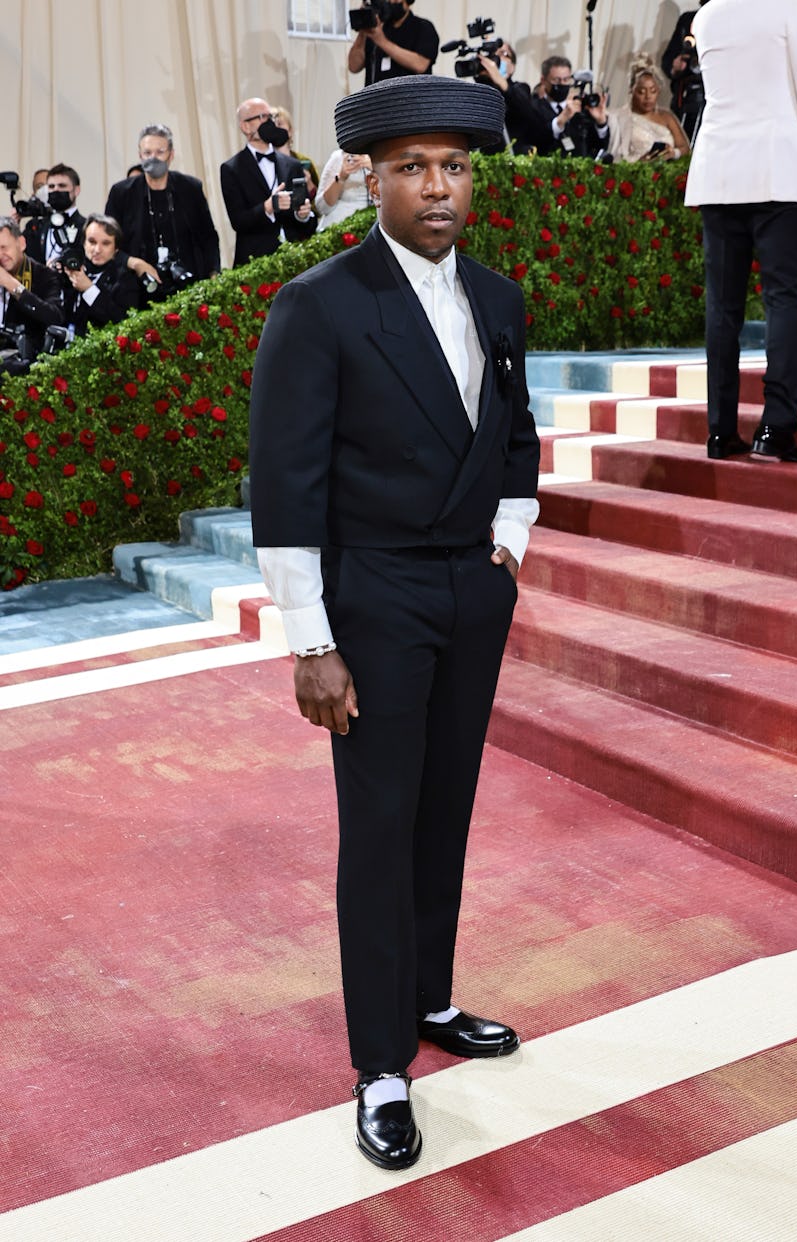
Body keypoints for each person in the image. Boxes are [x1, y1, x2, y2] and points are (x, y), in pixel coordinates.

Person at [249, 74, 540, 1171]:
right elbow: (283, 483)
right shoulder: (319, 303)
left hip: (471, 590)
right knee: (379, 827)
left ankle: (427, 999)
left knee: (446, 809)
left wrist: (511, 541)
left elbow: (515, 434)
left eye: (455, 166)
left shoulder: (501, 299)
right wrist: (309, 639)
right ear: (372, 181)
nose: (437, 187)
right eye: (413, 167)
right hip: (370, 596)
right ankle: (380, 1064)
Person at [685, 0, 797, 463]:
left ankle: (720, 431)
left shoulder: (706, 16)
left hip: (719, 169)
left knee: (722, 307)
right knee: (785, 300)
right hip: (777, 167)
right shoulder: (796, 7)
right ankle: (776, 428)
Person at [105, 124, 221, 293]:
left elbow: (208, 236)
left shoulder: (190, 188)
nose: (153, 158)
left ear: (171, 155)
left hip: (189, 285)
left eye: (160, 152)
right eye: (147, 153)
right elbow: (109, 242)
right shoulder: (121, 193)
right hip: (137, 288)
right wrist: (134, 263)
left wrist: (214, 273)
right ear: (140, 155)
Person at [220, 98, 317, 268]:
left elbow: (305, 223)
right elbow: (238, 221)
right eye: (262, 117)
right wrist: (267, 207)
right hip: (256, 263)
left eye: (270, 117)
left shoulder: (292, 164)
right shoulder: (231, 169)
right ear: (245, 126)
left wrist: (302, 215)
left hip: (295, 258)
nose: (269, 122)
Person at [56, 213, 142, 340]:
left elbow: (122, 322)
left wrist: (89, 289)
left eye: (106, 243)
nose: (97, 249)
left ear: (116, 249)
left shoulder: (126, 279)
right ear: (84, 244)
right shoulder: (72, 269)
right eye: (92, 242)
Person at [0, 215, 63, 366]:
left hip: (27, 364)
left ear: (21, 243)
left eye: (4, 247)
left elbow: (54, 317)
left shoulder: (44, 276)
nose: (1, 255)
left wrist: (13, 286)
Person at [608, 54, 690, 162]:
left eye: (653, 91)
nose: (648, 97)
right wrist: (640, 162)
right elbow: (616, 155)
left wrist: (673, 153)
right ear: (632, 91)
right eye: (641, 92)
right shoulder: (620, 117)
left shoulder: (666, 116)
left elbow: (684, 148)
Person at [531, 56, 609, 159]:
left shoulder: (580, 108)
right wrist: (560, 121)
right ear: (543, 80)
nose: (562, 84)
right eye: (557, 80)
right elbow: (537, 141)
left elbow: (598, 147)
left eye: (566, 80)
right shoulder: (534, 107)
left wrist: (601, 123)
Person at [347, 0, 438, 86]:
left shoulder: (423, 27)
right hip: (377, 99)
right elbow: (354, 66)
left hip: (411, 99)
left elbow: (420, 64)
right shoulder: (378, 28)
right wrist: (364, 27)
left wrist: (381, 41)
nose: (390, 2)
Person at [475, 41, 544, 155]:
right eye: (493, 54)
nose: (496, 58)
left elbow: (527, 112)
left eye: (504, 54)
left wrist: (501, 82)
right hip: (482, 157)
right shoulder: (479, 90)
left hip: (512, 156)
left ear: (512, 67)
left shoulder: (520, 88)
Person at [661, 2, 712, 144]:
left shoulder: (730, 23)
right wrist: (675, 65)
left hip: (715, 99)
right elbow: (668, 61)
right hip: (686, 97)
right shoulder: (688, 20)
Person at [23, 163, 86, 266]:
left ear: (76, 190)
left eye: (62, 186)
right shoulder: (35, 227)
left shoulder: (86, 227)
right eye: (51, 186)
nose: (56, 190)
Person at [271, 106, 320, 201]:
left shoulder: (304, 162)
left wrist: (309, 182)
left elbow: (318, 200)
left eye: (280, 124)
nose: (276, 128)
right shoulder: (264, 162)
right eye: (272, 125)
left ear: (290, 130)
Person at [315, 150, 373, 229]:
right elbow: (322, 208)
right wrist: (341, 177)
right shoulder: (338, 157)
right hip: (338, 226)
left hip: (373, 224)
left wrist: (376, 169)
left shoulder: (381, 156)